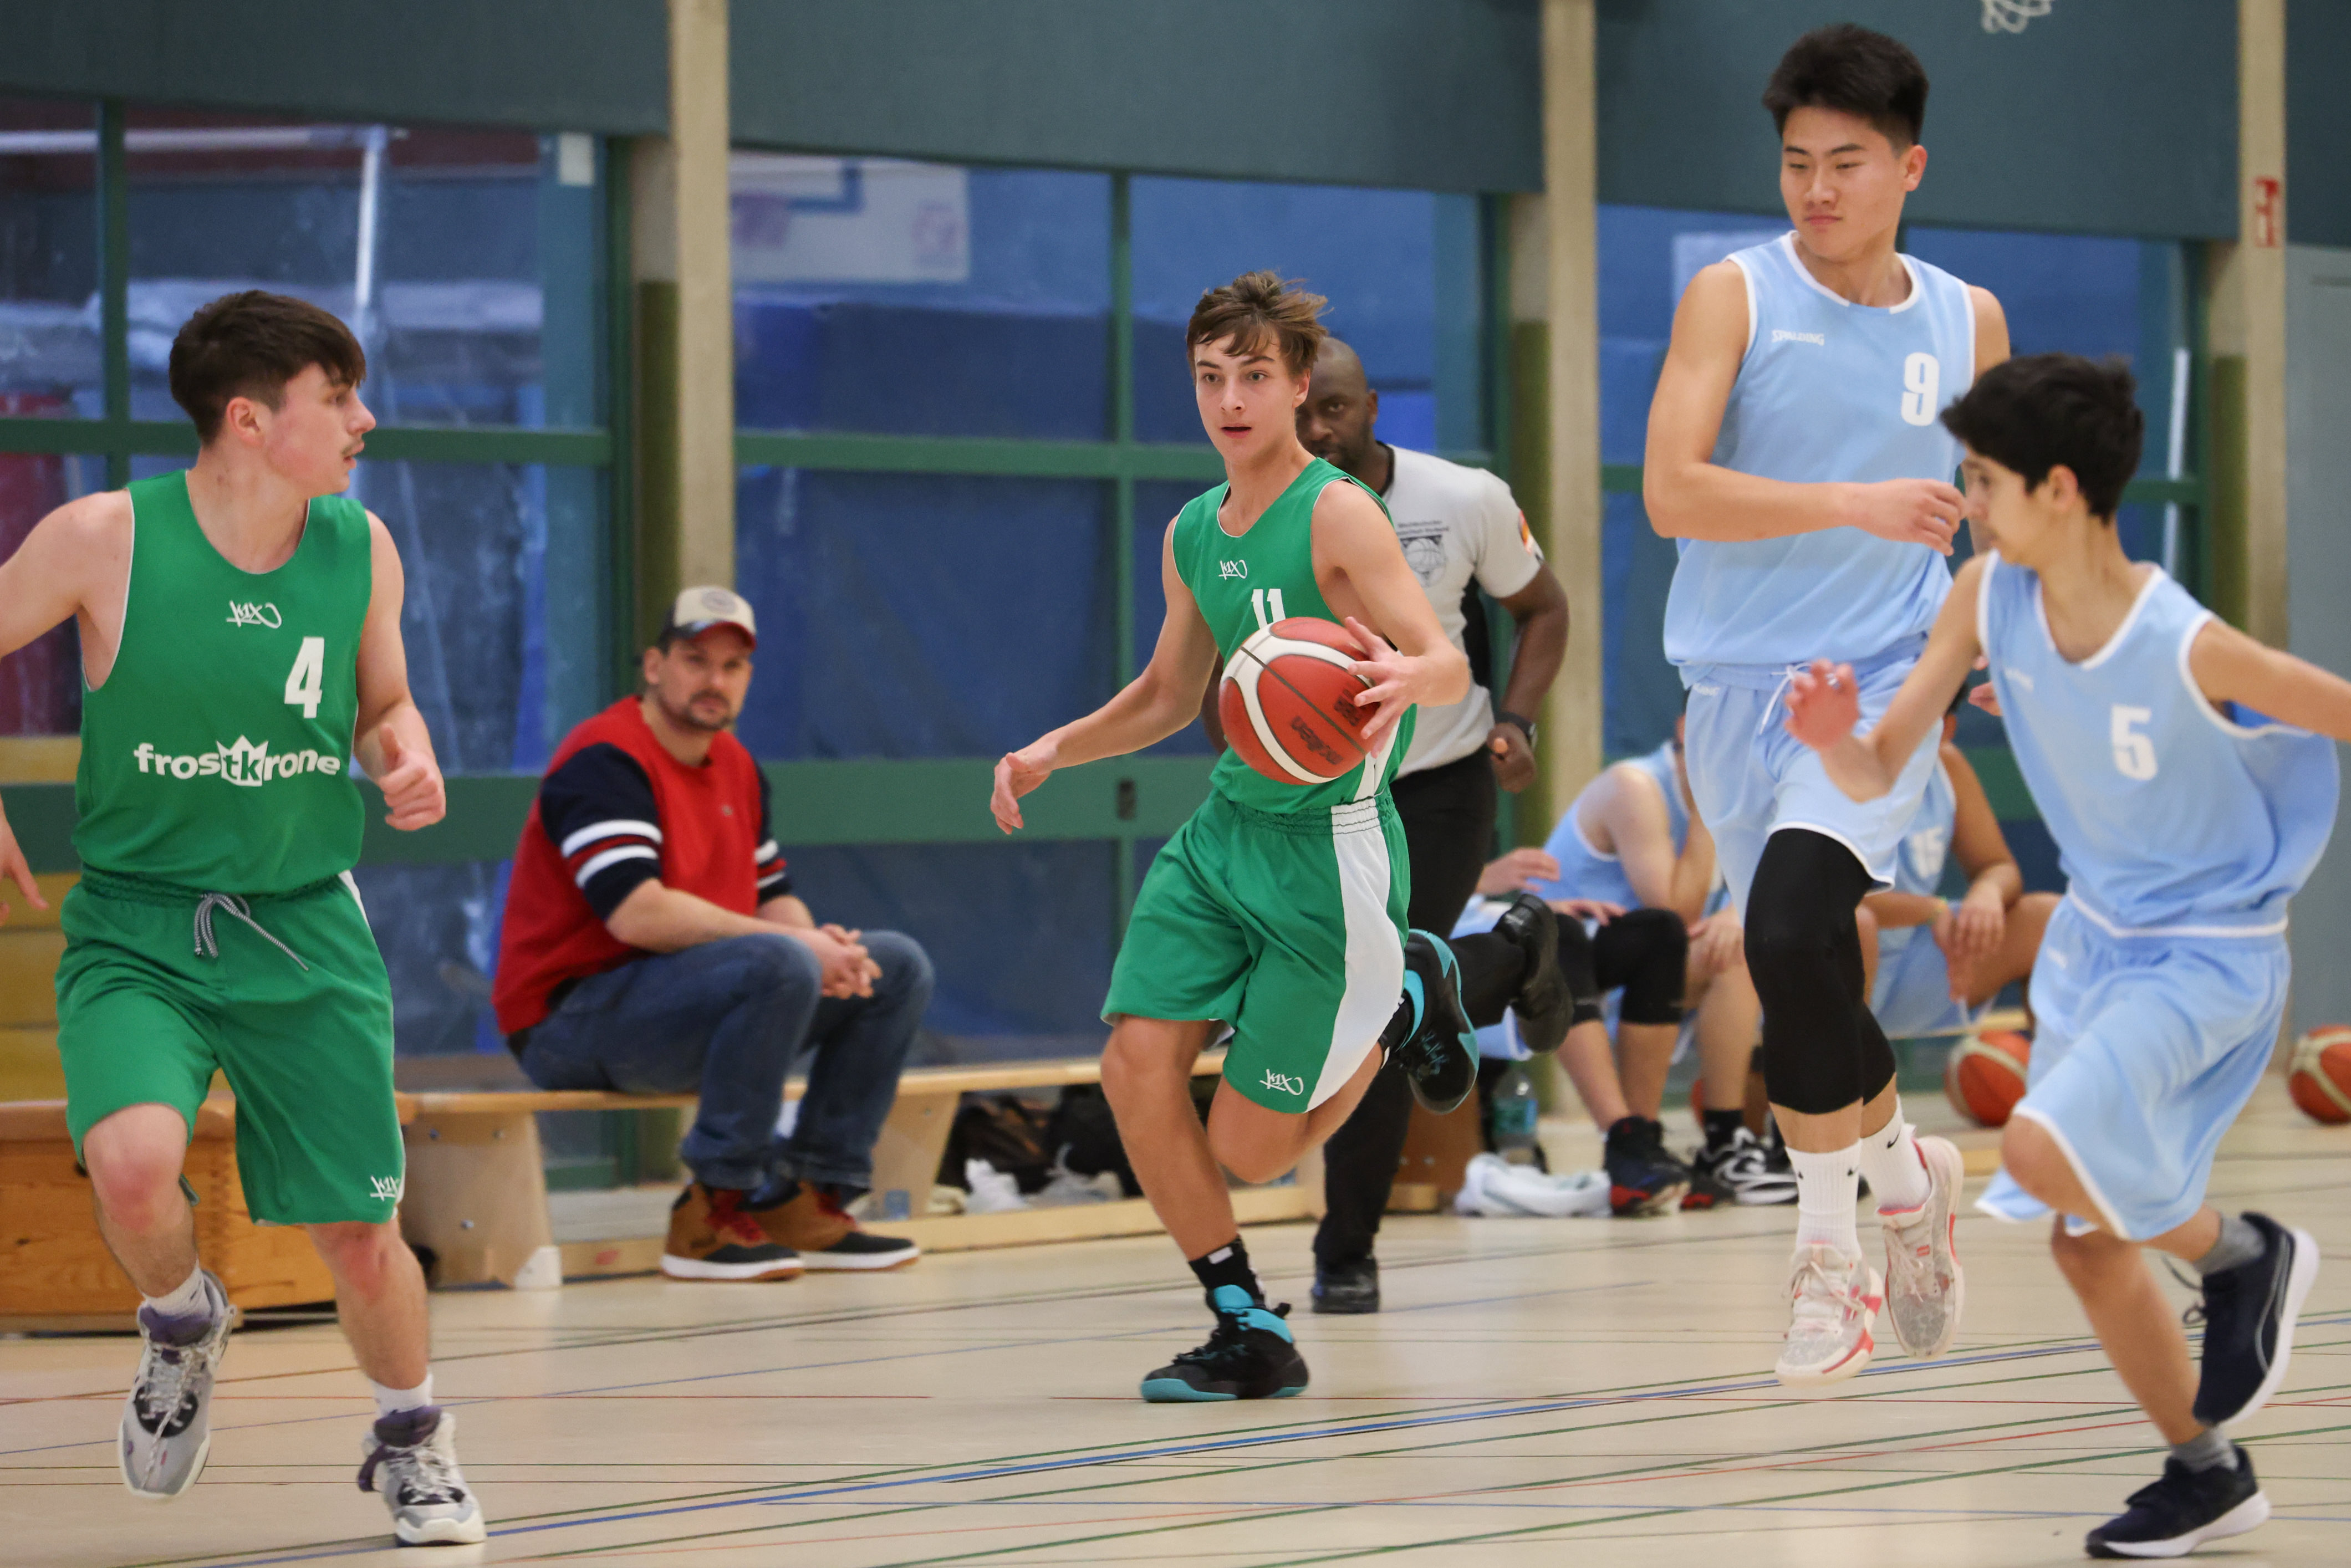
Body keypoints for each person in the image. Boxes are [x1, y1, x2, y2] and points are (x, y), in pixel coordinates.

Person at [1786, 352, 2331, 1559]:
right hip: (2095, 944)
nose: (1968, 503)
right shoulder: (1986, 597)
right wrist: (1830, 739)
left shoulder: (2183, 640)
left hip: (2207, 957)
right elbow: (1876, 765)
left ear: (2061, 489)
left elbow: (2330, 704)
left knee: (2035, 1147)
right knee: (2082, 1241)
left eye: (1983, 479)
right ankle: (2206, 1471)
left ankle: (2244, 1253)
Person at [0, 292, 481, 1543]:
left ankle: (412, 1440)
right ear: (251, 419)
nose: (364, 419)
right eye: (339, 396)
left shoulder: (361, 546)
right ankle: (181, 1320)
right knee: (131, 1164)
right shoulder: (103, 538)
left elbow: (384, 700)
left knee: (359, 1230)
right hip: (138, 926)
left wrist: (404, 748)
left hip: (302, 925)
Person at [991, 270, 1477, 1402]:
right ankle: (1245, 1320)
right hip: (1222, 836)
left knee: (1252, 1149)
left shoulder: (1338, 513)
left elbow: (1443, 657)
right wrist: (1054, 748)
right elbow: (1170, 693)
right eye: (1210, 377)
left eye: (1253, 375)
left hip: (1326, 854)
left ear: (1298, 385)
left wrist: (1416, 676)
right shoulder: (1193, 530)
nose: (1230, 400)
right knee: (1133, 1063)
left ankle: (1401, 1000)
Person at [1641, 23, 2007, 1384]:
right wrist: (1846, 500)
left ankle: (1826, 1263)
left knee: (1793, 929)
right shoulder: (1732, 295)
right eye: (1794, 161)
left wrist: (1984, 649)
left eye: (1844, 162)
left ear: (1907, 167)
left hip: (1875, 687)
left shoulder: (1966, 320)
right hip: (1734, 691)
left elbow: (1994, 516)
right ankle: (1906, 1176)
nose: (1814, 188)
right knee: (1798, 968)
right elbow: (1670, 492)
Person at [494, 588, 928, 1279]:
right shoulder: (604, 758)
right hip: (570, 1020)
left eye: (732, 667)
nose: (714, 681)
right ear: (654, 666)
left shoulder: (737, 766)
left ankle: (808, 1196)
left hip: (687, 1002)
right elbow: (635, 913)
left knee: (895, 967)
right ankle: (714, 1208)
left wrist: (830, 953)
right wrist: (799, 950)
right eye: (695, 660)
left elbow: (772, 896)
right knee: (780, 962)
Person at [1289, 335, 1572, 1312]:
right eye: (1301, 413)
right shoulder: (1256, 513)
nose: (1316, 431)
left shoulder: (1463, 499)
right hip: (1320, 797)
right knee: (1357, 996)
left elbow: (1544, 609)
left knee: (1381, 994)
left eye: (1333, 409)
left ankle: (1346, 1248)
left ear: (1372, 406)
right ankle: (1516, 952)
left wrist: (1517, 721)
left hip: (1440, 785)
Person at [1511, 721, 1788, 1210]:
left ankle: (1668, 1144)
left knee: (1781, 935)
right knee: (1724, 952)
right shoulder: (1634, 787)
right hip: (1566, 973)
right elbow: (1676, 913)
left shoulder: (1746, 794)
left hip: (1643, 964)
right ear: (1688, 729)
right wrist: (1704, 814)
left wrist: (1735, 911)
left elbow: (1773, 887)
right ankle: (1717, 1139)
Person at [1857, 687, 2059, 1038]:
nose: (1897, 726)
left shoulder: (1947, 767)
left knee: (2049, 921)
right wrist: (1930, 911)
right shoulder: (1835, 769)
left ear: (1946, 730)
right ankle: (1820, 1065)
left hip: (1913, 962)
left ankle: (2058, 1069)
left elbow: (1998, 865)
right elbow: (1824, 902)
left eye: (1916, 715)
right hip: (1828, 963)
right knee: (1856, 925)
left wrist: (1987, 892)